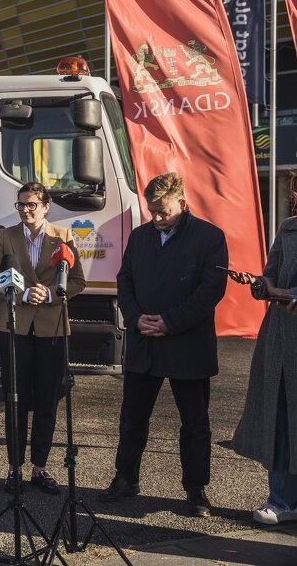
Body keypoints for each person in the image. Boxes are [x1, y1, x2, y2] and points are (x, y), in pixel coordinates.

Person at [98, 172, 228, 517]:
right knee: (132, 419)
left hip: (188, 346)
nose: (156, 218)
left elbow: (210, 290)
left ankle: (196, 489)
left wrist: (170, 322)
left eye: (163, 212)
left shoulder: (210, 238)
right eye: (151, 211)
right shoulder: (140, 237)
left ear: (183, 204)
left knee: (194, 422)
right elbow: (124, 279)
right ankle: (125, 478)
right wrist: (136, 315)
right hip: (145, 344)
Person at [0, 182, 86, 495]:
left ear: (46, 206)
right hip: (12, 328)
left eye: (31, 205)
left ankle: (39, 468)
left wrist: (54, 294)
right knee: (15, 399)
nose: (25, 210)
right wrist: (22, 293)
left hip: (51, 328)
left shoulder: (63, 237)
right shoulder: (6, 236)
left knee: (47, 401)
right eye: (21, 205)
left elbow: (78, 281)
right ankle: (14, 468)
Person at [232, 199, 297, 525]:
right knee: (280, 419)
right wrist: (259, 285)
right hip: (282, 341)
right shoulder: (288, 228)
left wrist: (286, 293)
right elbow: (270, 277)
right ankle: (282, 500)